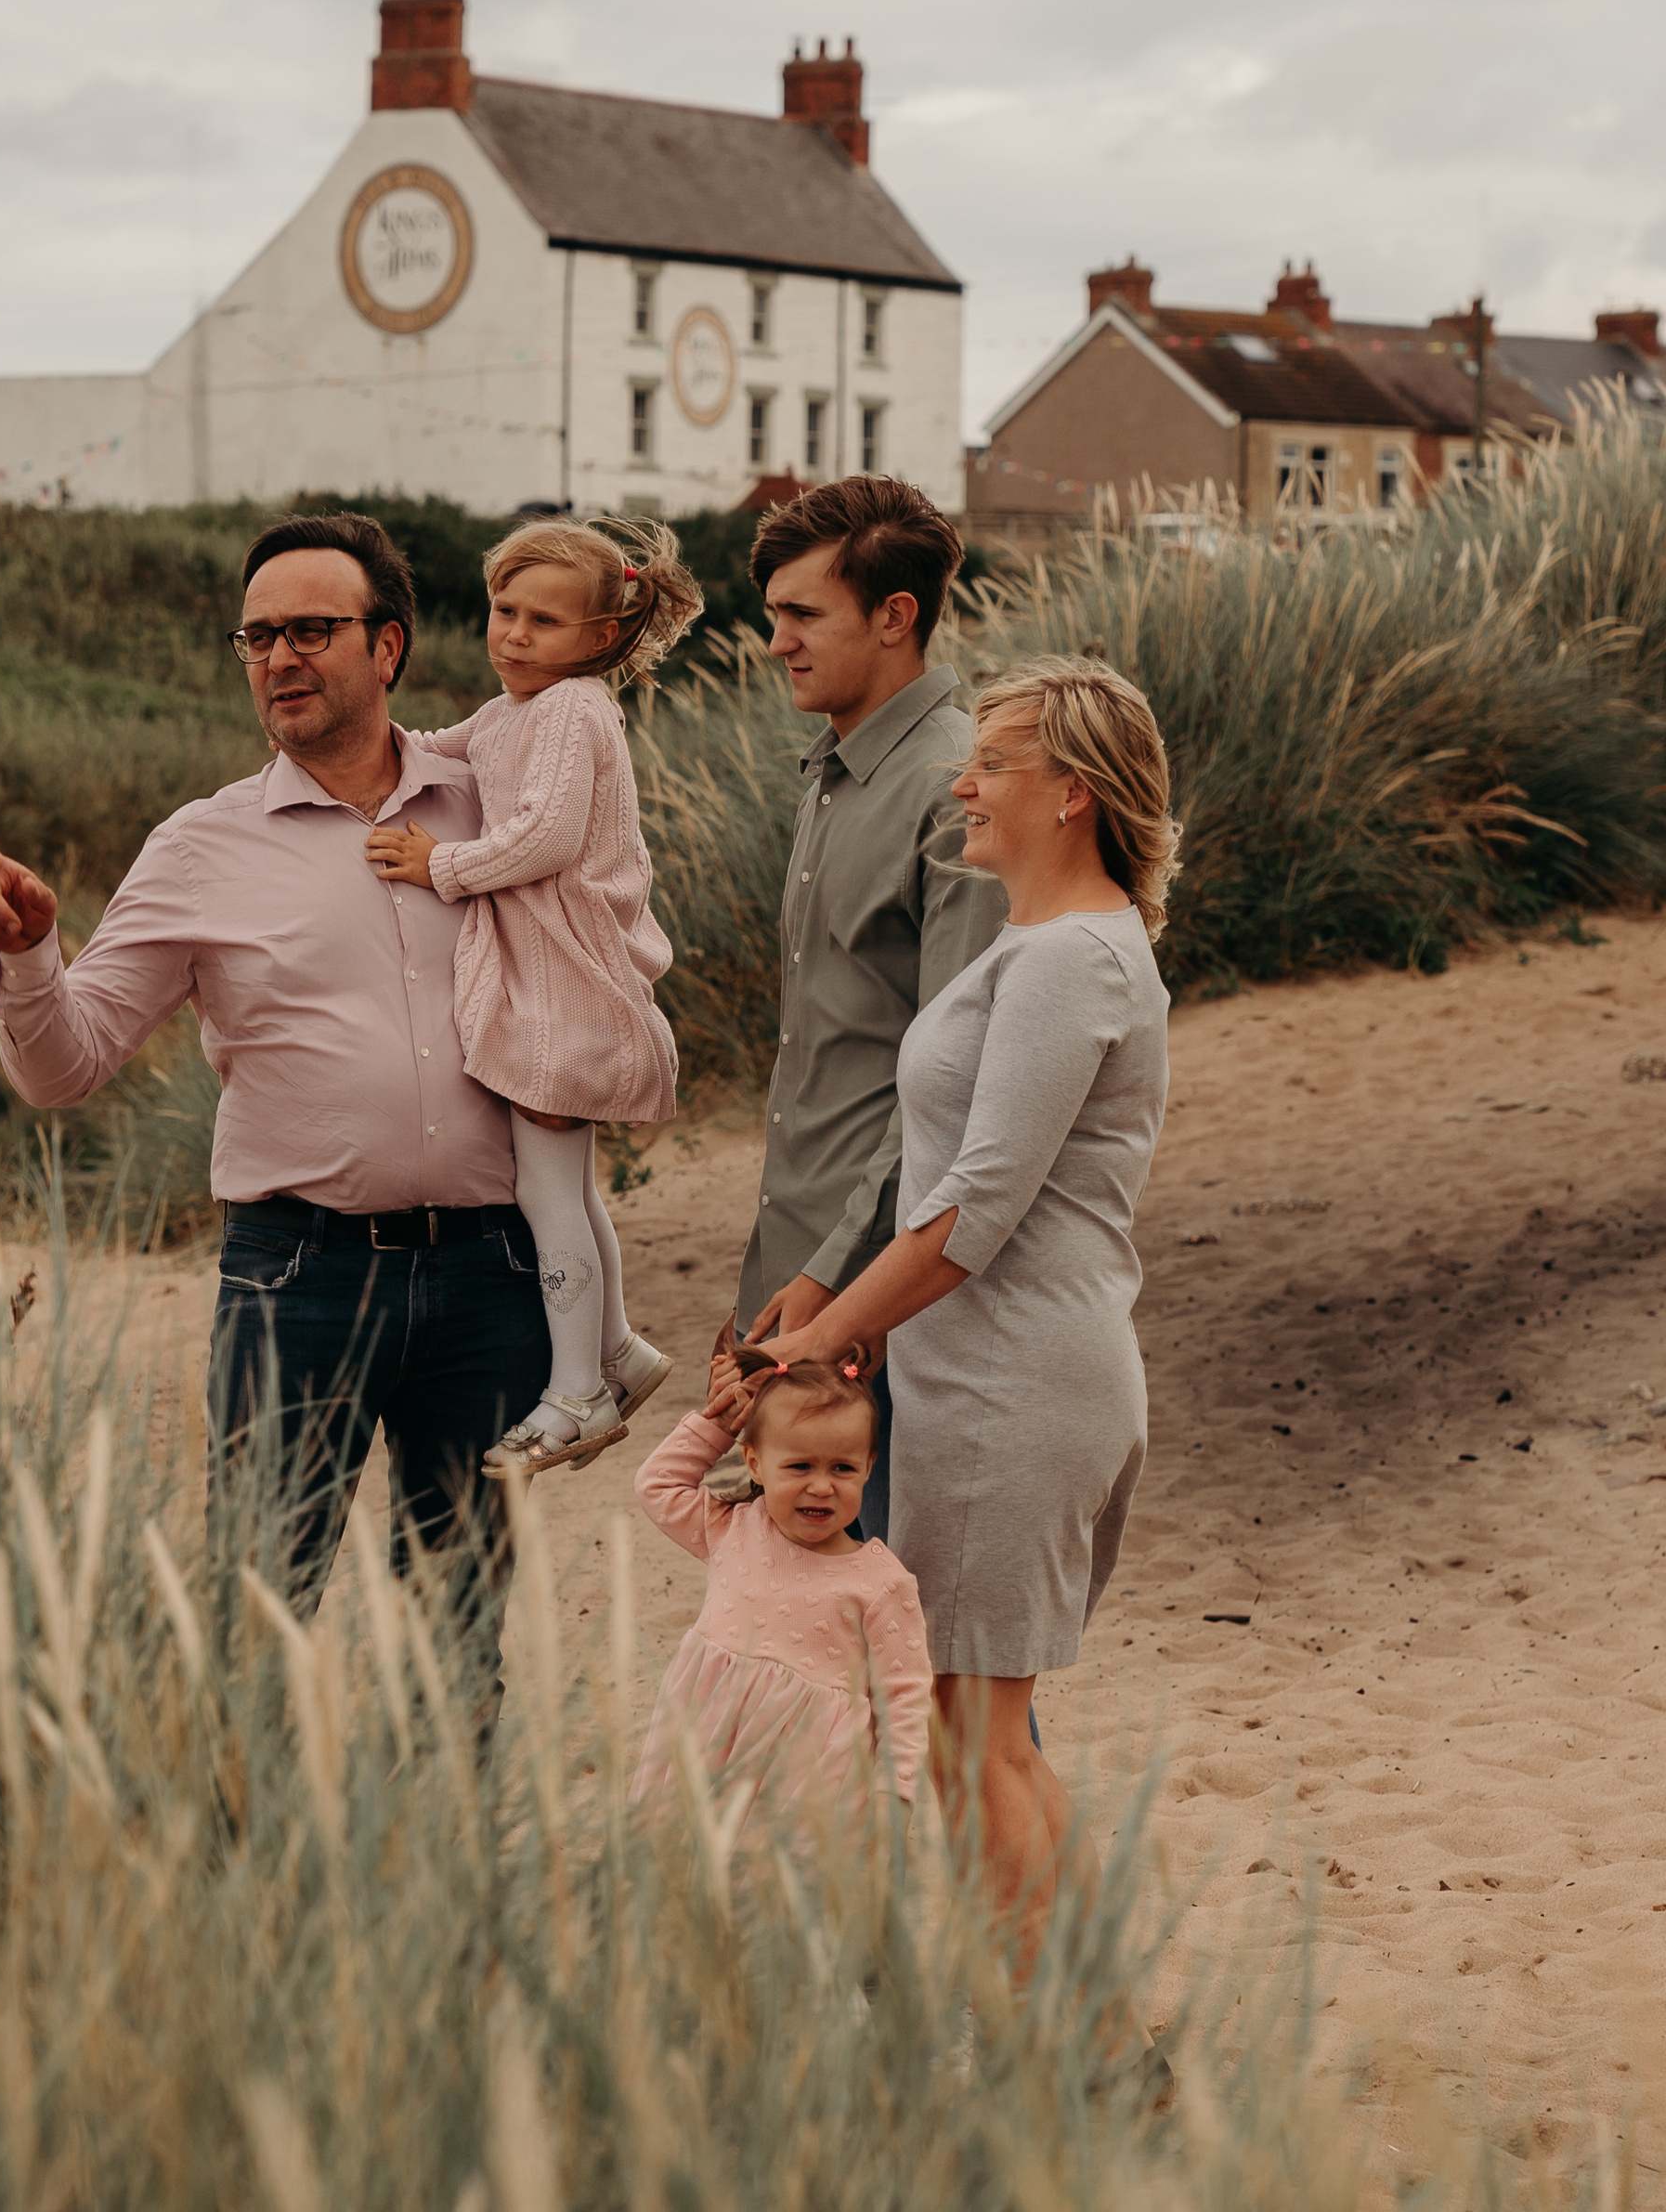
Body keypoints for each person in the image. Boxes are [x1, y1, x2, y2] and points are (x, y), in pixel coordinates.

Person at [0, 512, 549, 1635]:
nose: (277, 657)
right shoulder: (198, 846)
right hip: (299, 1280)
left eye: (310, 629)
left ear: (389, 647)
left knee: (462, 1632)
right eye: (256, 636)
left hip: (490, 1275)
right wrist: (31, 956)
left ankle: (439, 1817)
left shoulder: (491, 801)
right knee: (251, 1620)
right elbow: (64, 1069)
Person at [761, 655, 1180, 1983]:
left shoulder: (1072, 960)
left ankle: (1089, 2060)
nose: (963, 784)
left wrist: (818, 1344)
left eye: (991, 765)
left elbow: (974, 1210)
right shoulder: (1037, 943)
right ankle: (1094, 2042)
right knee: (983, 1733)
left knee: (973, 1745)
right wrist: (845, 1319)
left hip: (1016, 1386)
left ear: (1069, 793)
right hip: (981, 1383)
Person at [365, 516, 700, 1477]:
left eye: (542, 621)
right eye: (502, 610)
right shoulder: (515, 709)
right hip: (545, 983)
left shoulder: (573, 711)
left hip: (568, 989)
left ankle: (576, 1396)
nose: (513, 634)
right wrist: (361, 743)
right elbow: (435, 747)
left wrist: (440, 866)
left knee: (545, 1198)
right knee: (566, 1188)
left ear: (598, 637)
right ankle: (619, 1352)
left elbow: (545, 837)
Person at [729, 476, 1008, 1539]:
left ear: (896, 616)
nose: (775, 643)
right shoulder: (834, 773)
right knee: (818, 1645)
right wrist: (777, 1271)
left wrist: (830, 1281)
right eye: (772, 618)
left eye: (802, 615)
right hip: (802, 1276)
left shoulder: (958, 788)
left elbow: (948, 1082)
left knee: (905, 1641)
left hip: (885, 1291)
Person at [631, 1344, 932, 1819]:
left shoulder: (882, 1582)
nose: (820, 1485)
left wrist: (893, 1794)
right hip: (706, 1751)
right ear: (753, 1463)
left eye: (843, 1468)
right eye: (799, 1466)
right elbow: (657, 1485)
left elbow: (905, 1697)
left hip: (810, 1786)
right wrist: (719, 1422)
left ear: (869, 1468)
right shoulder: (734, 1529)